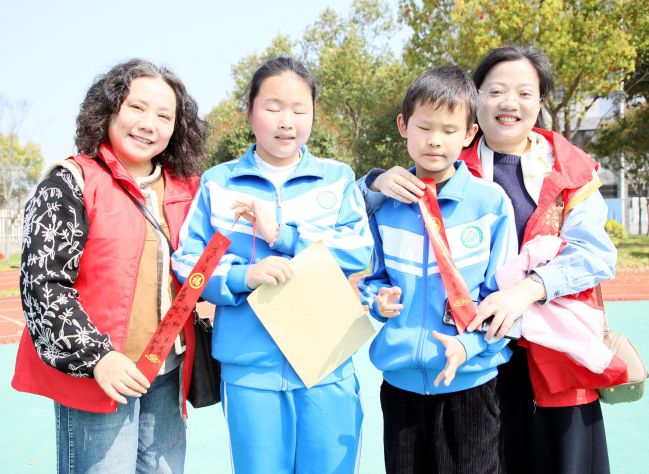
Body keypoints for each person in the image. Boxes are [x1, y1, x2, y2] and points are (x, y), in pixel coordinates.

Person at [359, 45, 618, 474]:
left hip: (547, 351)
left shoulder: (569, 169)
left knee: (559, 460)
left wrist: (528, 289)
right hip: (474, 358)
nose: (509, 102)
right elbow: (360, 215)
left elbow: (596, 254)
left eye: (524, 93)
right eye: (495, 90)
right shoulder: (443, 160)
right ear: (476, 99)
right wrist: (374, 183)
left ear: (540, 101)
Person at [171, 57, 373, 474]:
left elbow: (358, 249)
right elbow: (189, 263)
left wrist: (284, 236)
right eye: (273, 107)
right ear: (249, 111)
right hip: (249, 372)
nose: (287, 121)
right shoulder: (218, 183)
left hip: (327, 364)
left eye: (299, 110)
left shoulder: (337, 179)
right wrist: (242, 276)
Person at [12, 59, 207, 473]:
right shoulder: (70, 181)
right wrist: (98, 358)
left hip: (167, 371)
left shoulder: (189, 187)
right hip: (100, 375)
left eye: (164, 116)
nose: (148, 124)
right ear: (109, 109)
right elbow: (43, 285)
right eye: (136, 108)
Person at [358, 65, 517, 474]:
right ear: (403, 126)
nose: (434, 140)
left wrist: (470, 346)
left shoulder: (490, 204)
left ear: (469, 134)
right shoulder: (385, 205)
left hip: (471, 382)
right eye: (424, 127)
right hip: (401, 387)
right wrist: (377, 301)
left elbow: (505, 300)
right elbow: (372, 279)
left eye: (449, 130)